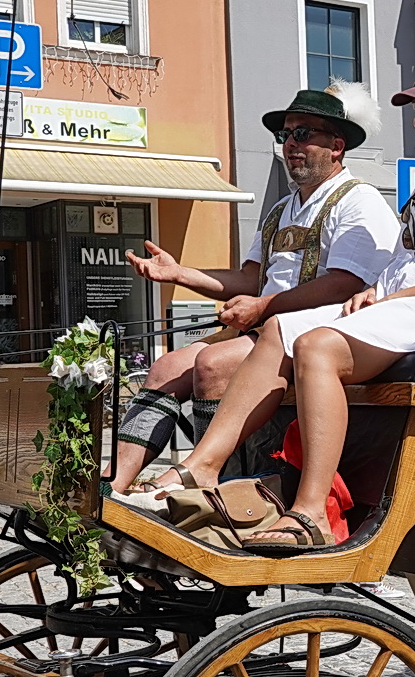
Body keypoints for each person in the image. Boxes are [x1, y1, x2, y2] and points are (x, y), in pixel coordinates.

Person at [158, 57, 415, 546]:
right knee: (279, 329)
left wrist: (385, 298)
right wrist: (378, 289)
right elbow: (407, 258)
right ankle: (202, 467)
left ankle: (311, 511)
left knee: (316, 347)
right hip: (411, 307)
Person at [109, 82, 397, 496]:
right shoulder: (281, 209)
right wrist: (178, 273)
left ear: (336, 146)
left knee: (212, 365)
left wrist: (263, 307)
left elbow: (346, 284)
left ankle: (219, 489)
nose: (290, 145)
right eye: (285, 135)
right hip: (264, 328)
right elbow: (248, 279)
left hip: (314, 334)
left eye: (303, 134)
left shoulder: (359, 201)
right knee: (165, 368)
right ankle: (113, 484)